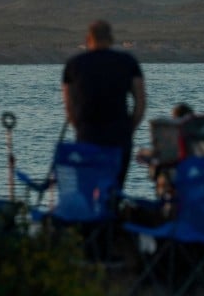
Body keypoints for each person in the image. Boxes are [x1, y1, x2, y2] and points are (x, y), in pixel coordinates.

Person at [62, 19, 146, 187]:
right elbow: (140, 102)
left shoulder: (74, 65)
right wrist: (129, 129)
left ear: (88, 39)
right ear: (111, 39)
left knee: (88, 188)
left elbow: (69, 106)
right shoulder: (127, 62)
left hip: (88, 134)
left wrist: (80, 128)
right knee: (115, 188)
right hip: (119, 134)